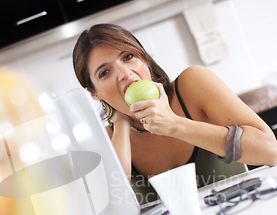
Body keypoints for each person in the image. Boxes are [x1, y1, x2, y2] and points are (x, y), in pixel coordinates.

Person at [73, 23, 277, 202]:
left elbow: (271, 151)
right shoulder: (109, 137)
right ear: (94, 94)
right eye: (105, 72)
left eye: (128, 57)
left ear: (144, 59)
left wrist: (174, 124)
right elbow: (118, 208)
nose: (125, 74)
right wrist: (120, 125)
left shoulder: (192, 85)